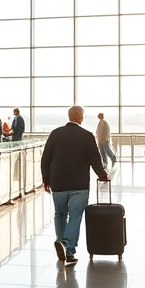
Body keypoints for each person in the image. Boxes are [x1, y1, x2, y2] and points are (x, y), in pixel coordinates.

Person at [41, 105, 108, 267]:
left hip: (58, 183)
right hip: (79, 184)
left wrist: (46, 179)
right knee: (75, 216)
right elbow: (95, 159)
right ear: (80, 117)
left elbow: (45, 158)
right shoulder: (86, 136)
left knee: (60, 214)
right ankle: (68, 249)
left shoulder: (55, 134)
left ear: (69, 116)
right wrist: (102, 175)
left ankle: (60, 242)